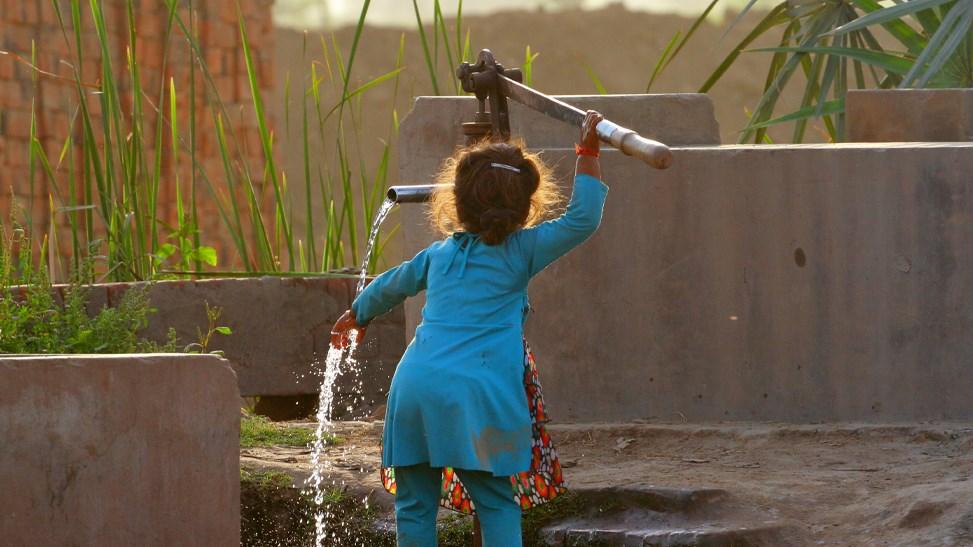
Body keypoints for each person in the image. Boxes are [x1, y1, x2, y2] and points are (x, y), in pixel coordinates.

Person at [331, 110, 609, 546]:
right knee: (496, 501)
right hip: (477, 395)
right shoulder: (521, 251)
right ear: (525, 204)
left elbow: (394, 282)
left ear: (457, 201)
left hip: (415, 388)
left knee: (415, 505)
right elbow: (583, 219)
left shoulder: (440, 254)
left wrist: (358, 313)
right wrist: (587, 153)